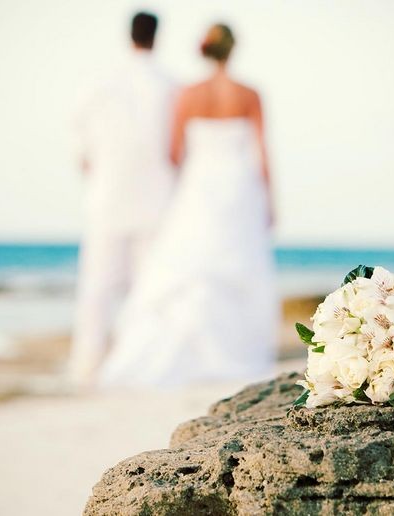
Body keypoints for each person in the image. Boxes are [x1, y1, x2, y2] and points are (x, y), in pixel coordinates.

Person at [98, 23, 278, 386]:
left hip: (199, 188)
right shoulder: (249, 93)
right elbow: (262, 152)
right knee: (238, 263)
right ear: (232, 50)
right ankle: (237, 351)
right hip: (239, 188)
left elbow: (173, 151)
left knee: (188, 265)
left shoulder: (188, 93)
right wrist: (270, 199)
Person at [68, 12, 176, 385]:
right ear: (156, 37)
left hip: (108, 198)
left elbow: (81, 151)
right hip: (156, 200)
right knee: (148, 288)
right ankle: (140, 363)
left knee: (97, 288)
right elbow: (179, 148)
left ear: (128, 36)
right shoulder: (170, 86)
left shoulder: (98, 83)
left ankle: (87, 368)